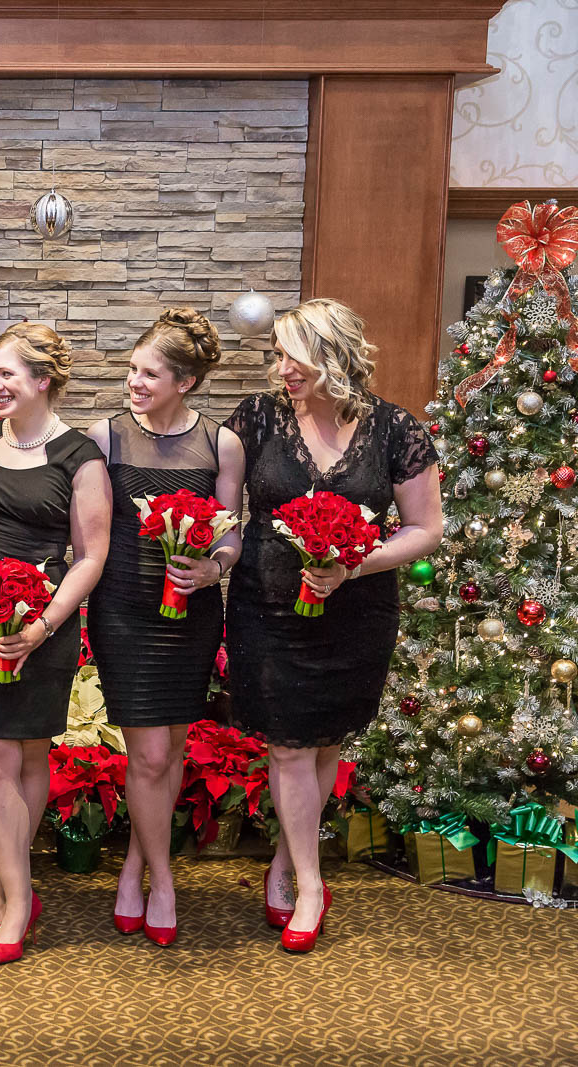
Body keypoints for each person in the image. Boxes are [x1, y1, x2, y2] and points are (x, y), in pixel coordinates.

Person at [224, 298, 441, 952]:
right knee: (288, 744)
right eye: (279, 354)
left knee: (322, 745)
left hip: (356, 613)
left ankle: (287, 863)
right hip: (267, 608)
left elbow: (427, 529)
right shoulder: (255, 420)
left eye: (296, 354)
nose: (283, 367)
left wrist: (353, 562)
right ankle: (312, 885)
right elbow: (225, 510)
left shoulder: (396, 430)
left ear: (333, 354)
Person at [0, 321, 111, 966]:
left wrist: (42, 626)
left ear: (43, 381)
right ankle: (18, 893)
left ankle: (5, 887)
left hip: (45, 619)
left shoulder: (80, 457)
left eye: (7, 374)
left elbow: (92, 555)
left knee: (31, 755)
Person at [86, 309, 244, 947]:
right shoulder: (107, 438)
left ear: (186, 381)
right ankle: (162, 877)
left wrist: (213, 567)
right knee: (150, 752)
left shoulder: (220, 445)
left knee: (171, 749)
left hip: (193, 613)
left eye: (149, 373)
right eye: (132, 370)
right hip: (124, 609)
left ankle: (133, 865)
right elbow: (92, 534)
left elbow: (232, 534)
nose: (135, 382)